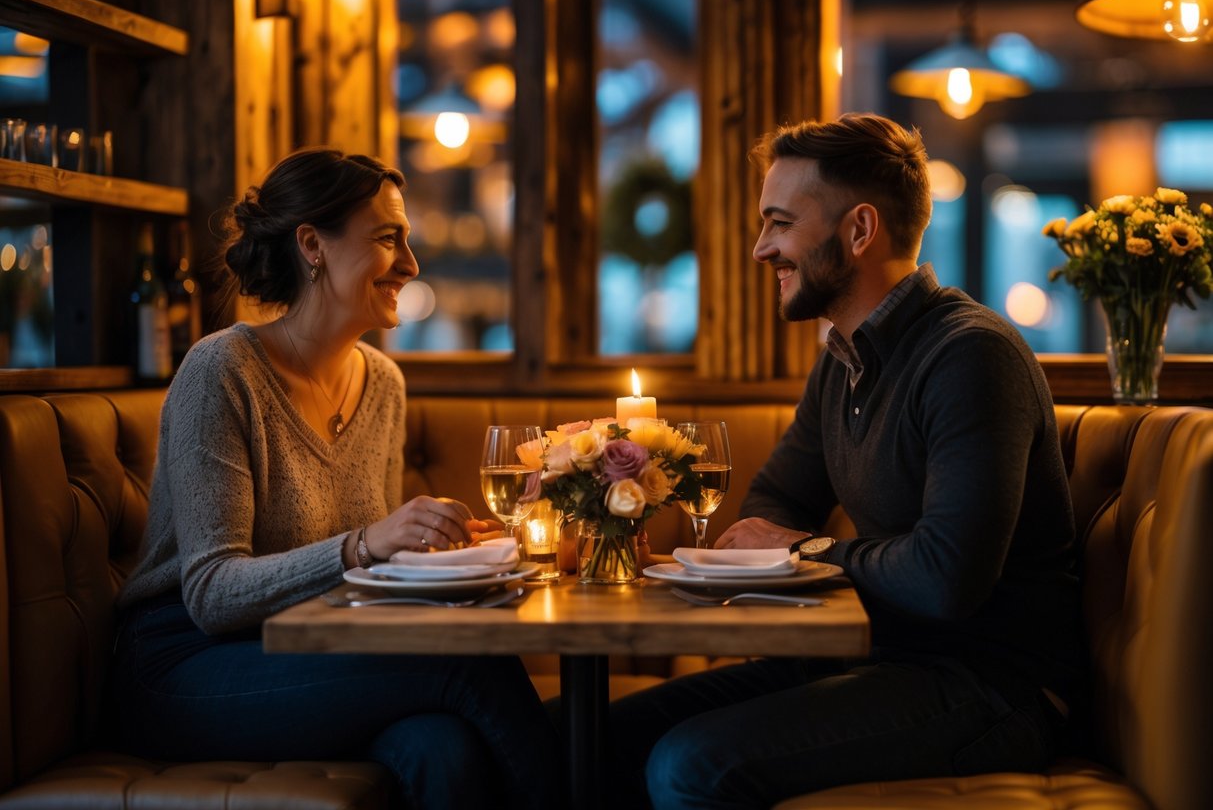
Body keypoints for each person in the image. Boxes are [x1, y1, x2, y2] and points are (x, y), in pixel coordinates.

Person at [608, 113, 1082, 809]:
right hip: (873, 656)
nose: (758, 248)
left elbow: (945, 579)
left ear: (858, 231)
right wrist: (790, 546)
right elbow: (773, 499)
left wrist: (804, 550)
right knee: (602, 734)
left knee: (689, 765)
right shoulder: (842, 360)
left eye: (778, 223)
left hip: (993, 685)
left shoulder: (970, 355)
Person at [109, 148, 562, 809]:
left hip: (318, 649)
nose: (410, 264)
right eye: (387, 239)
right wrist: (366, 544)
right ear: (312, 245)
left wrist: (441, 556)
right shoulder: (221, 373)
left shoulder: (382, 381)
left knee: (442, 748)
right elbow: (209, 593)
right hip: (184, 667)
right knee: (465, 664)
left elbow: (365, 576)